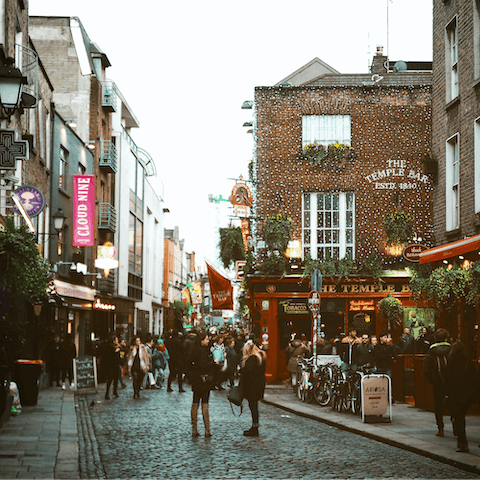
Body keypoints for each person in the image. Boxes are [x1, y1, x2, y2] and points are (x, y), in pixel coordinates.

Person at [444, 341, 479, 453]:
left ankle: (463, 442)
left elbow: (447, 380)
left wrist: (447, 393)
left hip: (455, 395)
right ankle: (461, 442)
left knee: (459, 418)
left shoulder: (451, 363)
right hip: (467, 395)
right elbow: (475, 379)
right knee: (460, 416)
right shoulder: (469, 363)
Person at [423, 328, 451, 437]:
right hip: (450, 381)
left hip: (437, 382)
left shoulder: (431, 351)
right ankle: (455, 425)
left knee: (438, 405)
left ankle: (440, 429)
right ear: (445, 338)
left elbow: (426, 368)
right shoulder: (451, 349)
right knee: (454, 403)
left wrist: (432, 380)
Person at [190, 332, 218, 437]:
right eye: (206, 339)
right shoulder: (202, 351)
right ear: (201, 340)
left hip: (196, 379)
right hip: (204, 380)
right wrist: (214, 363)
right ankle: (207, 429)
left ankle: (194, 428)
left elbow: (190, 363)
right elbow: (203, 366)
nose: (208, 341)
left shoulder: (194, 350)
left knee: (195, 403)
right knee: (205, 404)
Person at [240, 340, 267, 437]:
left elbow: (248, 371)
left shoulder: (252, 358)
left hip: (252, 386)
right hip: (258, 385)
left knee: (253, 406)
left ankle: (254, 427)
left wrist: (241, 369)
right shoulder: (261, 357)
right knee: (254, 406)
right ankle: (255, 426)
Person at [104, 335, 120, 400]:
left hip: (116, 365)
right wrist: (115, 351)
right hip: (110, 366)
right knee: (110, 379)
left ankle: (115, 391)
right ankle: (107, 393)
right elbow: (108, 356)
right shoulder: (109, 347)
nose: (117, 341)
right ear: (113, 341)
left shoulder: (118, 347)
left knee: (116, 379)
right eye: (116, 340)